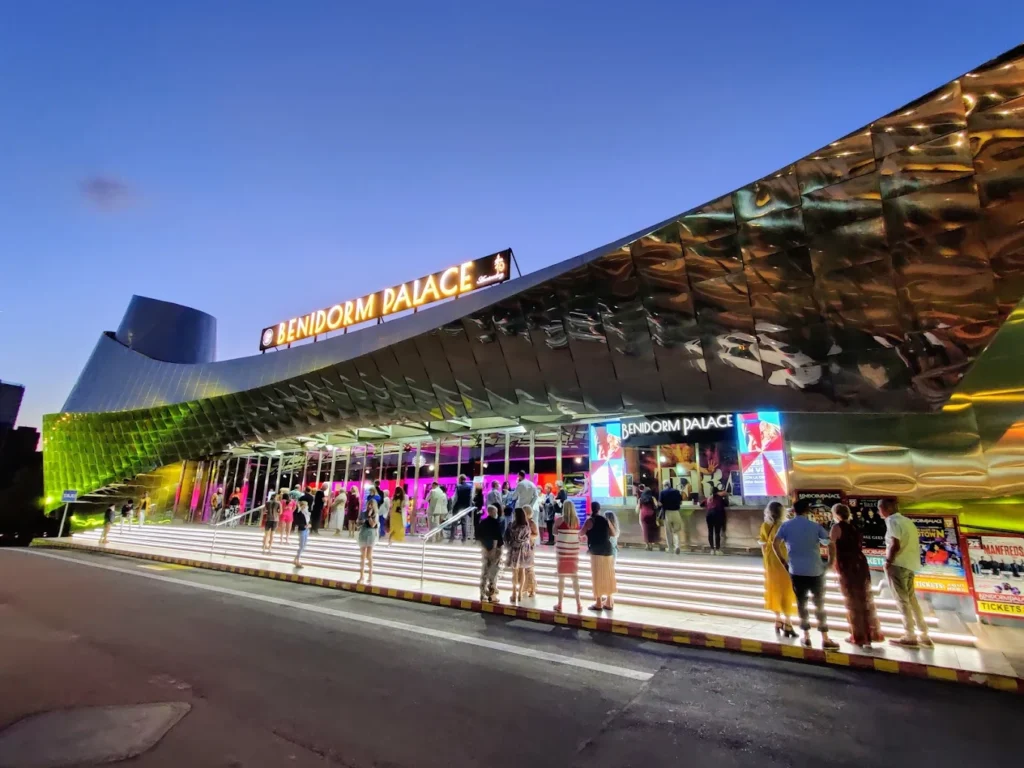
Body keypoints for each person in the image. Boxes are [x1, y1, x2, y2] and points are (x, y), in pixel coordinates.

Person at [775, 498, 839, 649]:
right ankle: (825, 638)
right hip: (816, 570)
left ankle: (806, 636)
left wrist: (784, 562)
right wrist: (830, 562)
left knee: (801, 604)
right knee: (819, 604)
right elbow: (830, 543)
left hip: (796, 570)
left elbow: (775, 544)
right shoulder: (815, 526)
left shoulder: (786, 526)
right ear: (807, 511)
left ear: (794, 511)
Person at [880, 499, 932, 648]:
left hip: (898, 564)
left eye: (880, 509)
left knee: (902, 601)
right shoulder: (908, 521)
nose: (879, 512)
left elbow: (895, 544)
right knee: (911, 599)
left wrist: (888, 561)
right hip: (910, 564)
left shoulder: (892, 521)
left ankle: (910, 635)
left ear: (886, 509)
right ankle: (924, 634)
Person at [830, 503, 884, 648]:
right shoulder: (855, 527)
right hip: (860, 563)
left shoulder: (837, 528)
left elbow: (832, 548)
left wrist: (832, 566)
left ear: (836, 514)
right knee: (864, 599)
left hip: (847, 565)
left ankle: (858, 635)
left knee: (852, 600)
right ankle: (870, 634)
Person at [757, 501, 797, 638]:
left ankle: (778, 620)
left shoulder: (765, 525)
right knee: (787, 590)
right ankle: (788, 622)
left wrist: (767, 561)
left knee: (774, 589)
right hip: (784, 559)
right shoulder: (785, 525)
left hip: (770, 560)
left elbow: (763, 545)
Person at [582, 501, 617, 611]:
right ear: (599, 509)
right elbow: (613, 533)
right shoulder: (605, 520)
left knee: (597, 576)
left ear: (591, 508)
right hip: (608, 550)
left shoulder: (590, 520)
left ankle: (598, 603)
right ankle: (609, 602)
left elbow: (581, 533)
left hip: (596, 551)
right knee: (608, 575)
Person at [553, 500, 583, 613]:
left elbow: (554, 532)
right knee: (575, 578)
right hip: (573, 552)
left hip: (562, 552)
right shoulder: (577, 520)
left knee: (561, 578)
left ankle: (560, 604)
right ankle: (578, 604)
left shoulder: (559, 520)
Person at [476, 504, 504, 602]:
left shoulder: (483, 522)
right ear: (493, 512)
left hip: (485, 549)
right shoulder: (495, 523)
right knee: (493, 573)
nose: (497, 514)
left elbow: (478, 536)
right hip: (495, 550)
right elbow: (496, 537)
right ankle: (492, 595)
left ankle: (482, 592)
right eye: (495, 512)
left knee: (485, 571)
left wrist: (484, 547)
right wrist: (493, 549)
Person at [505, 507, 533, 604]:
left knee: (514, 572)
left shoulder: (512, 526)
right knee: (523, 571)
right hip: (524, 550)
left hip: (514, 550)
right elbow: (528, 538)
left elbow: (506, 537)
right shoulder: (526, 526)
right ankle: (520, 593)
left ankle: (514, 593)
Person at [659, 481, 686, 554]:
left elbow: (660, 503)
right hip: (676, 512)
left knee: (668, 532)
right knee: (676, 531)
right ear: (670, 485)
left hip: (667, 513)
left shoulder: (662, 492)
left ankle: (670, 548)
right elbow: (681, 502)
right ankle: (677, 546)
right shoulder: (676, 491)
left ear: (664, 485)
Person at [358, 499, 379, 584]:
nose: (369, 506)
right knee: (362, 556)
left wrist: (369, 516)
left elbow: (373, 524)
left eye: (371, 505)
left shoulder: (375, 514)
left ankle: (370, 575)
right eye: (368, 504)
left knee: (369, 556)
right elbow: (358, 523)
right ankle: (361, 576)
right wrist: (360, 522)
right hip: (363, 533)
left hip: (371, 534)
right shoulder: (363, 513)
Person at [703, 487, 728, 555]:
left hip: (709, 515)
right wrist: (725, 496)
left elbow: (701, 504)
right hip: (717, 515)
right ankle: (717, 549)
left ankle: (711, 549)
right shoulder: (719, 498)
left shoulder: (708, 498)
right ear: (717, 492)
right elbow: (726, 504)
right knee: (717, 533)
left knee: (710, 532)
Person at [448, 474, 473, 543]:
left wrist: (452, 506)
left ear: (460, 479)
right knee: (464, 523)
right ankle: (464, 539)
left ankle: (451, 538)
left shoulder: (458, 486)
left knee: (454, 523)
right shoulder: (470, 487)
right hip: (465, 508)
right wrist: (469, 506)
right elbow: (471, 498)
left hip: (457, 507)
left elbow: (455, 498)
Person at [637, 484, 661, 550]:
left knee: (645, 529)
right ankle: (652, 543)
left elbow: (637, 508)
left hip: (643, 514)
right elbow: (656, 505)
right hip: (651, 514)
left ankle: (647, 545)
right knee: (651, 529)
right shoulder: (652, 498)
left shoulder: (640, 499)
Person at [523, 504, 540, 597]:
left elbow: (536, 534)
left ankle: (532, 589)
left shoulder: (532, 523)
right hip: (522, 547)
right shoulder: (521, 522)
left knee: (529, 568)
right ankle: (525, 587)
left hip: (530, 546)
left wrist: (527, 536)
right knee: (524, 568)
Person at [293, 498, 310, 568]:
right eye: (305, 505)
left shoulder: (306, 513)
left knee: (304, 545)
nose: (306, 506)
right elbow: (297, 521)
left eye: (307, 505)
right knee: (301, 545)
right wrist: (304, 525)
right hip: (302, 530)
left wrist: (309, 525)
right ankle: (297, 560)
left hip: (306, 530)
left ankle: (296, 559)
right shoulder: (299, 513)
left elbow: (308, 521)